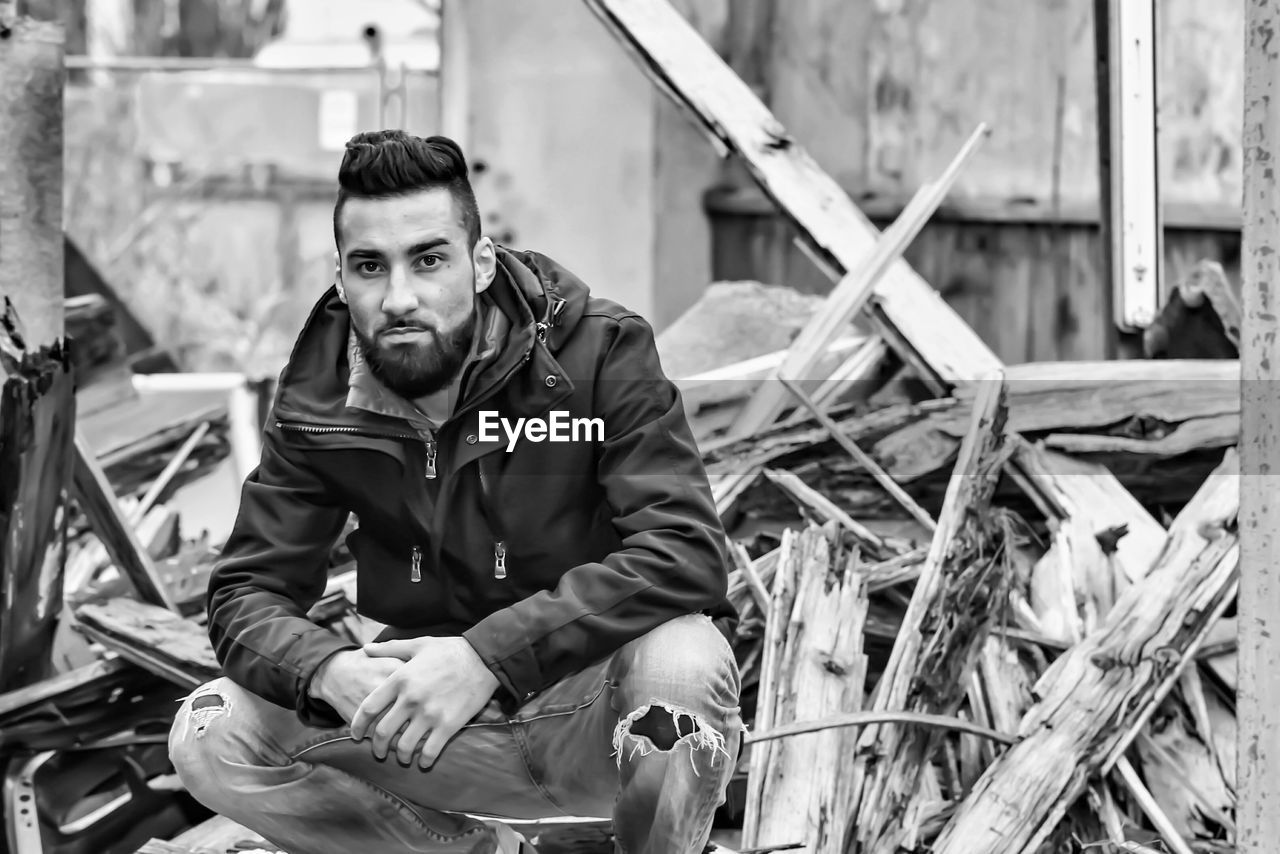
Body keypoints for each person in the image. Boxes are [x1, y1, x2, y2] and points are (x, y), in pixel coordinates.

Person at [167, 130, 742, 854]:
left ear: (480, 263)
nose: (399, 296)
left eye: (429, 259)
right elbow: (245, 591)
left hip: (593, 713)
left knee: (682, 664)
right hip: (425, 734)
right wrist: (327, 671)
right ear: (341, 280)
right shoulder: (320, 396)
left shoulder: (601, 351)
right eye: (371, 266)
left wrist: (484, 659)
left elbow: (684, 553)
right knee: (212, 730)